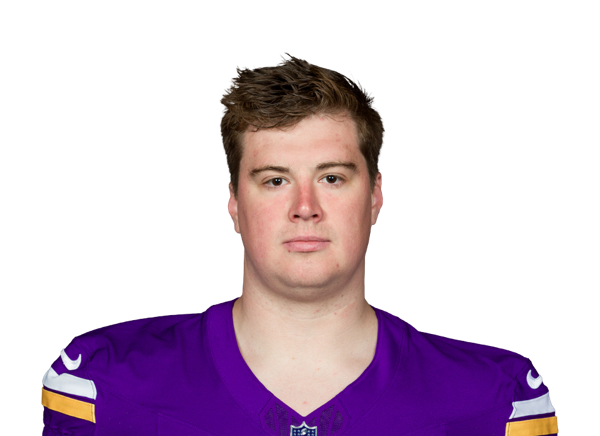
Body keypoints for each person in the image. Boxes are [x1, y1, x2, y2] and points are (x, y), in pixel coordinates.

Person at [41, 54, 558, 435]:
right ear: (234, 203)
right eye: (275, 180)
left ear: (375, 197)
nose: (304, 206)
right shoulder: (103, 379)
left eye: (332, 178)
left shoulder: (499, 397)